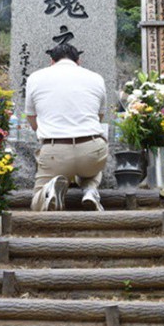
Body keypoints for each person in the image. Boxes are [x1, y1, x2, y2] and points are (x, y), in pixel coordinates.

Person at [25, 44, 108, 212]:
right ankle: (91, 190)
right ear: (78, 60)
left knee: (36, 202)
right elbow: (99, 117)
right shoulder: (96, 77)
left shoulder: (35, 77)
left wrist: (45, 131)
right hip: (92, 150)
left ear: (51, 61)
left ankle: (48, 190)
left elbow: (31, 118)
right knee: (92, 169)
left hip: (55, 152)